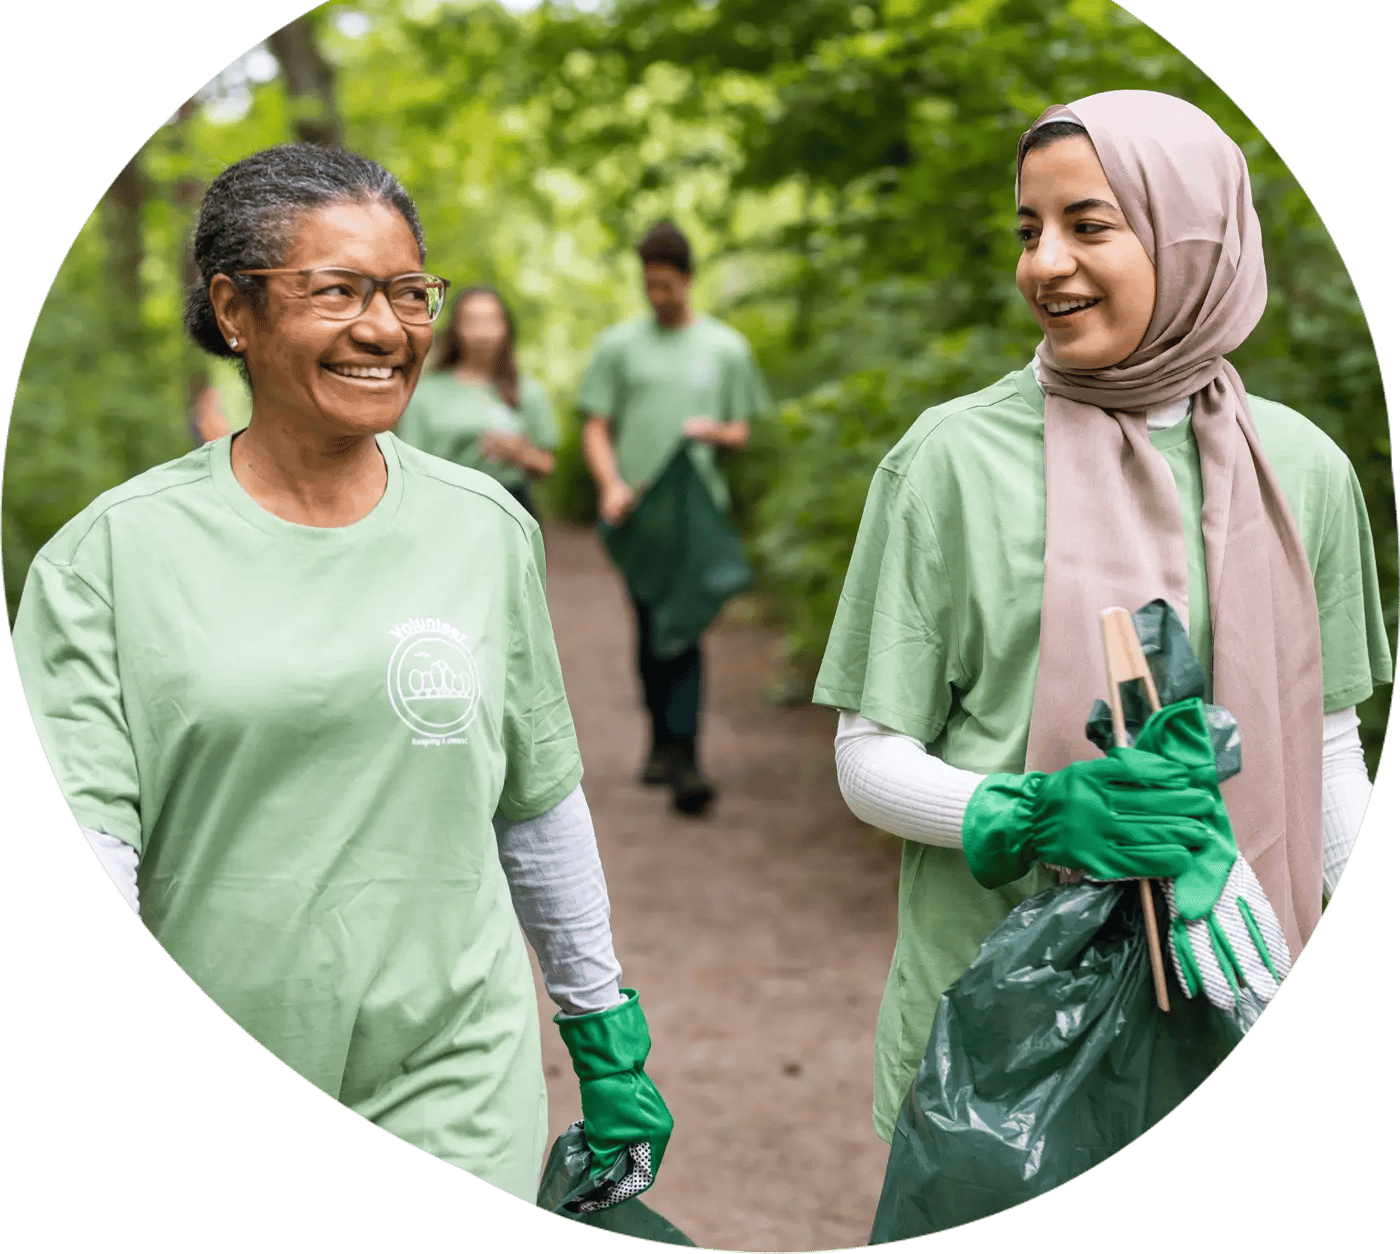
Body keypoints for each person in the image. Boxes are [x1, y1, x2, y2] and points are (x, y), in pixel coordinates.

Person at [12, 143, 672, 1205]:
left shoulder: (483, 529)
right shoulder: (108, 560)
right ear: (235, 308)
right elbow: (88, 847)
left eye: (409, 293)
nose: (385, 329)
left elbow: (536, 796)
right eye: (339, 293)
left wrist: (601, 1029)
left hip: (453, 1063)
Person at [813, 91, 1391, 1143]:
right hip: (996, 1046)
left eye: (1087, 225)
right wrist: (1034, 812)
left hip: (1248, 1008)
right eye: (1028, 230)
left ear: (1191, 237)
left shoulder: (1298, 469)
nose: (1043, 264)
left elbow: (1326, 752)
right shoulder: (947, 462)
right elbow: (866, 758)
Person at [577, 220, 771, 815]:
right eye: (648, 285)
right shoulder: (618, 346)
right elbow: (595, 425)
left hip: (694, 511)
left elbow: (741, 430)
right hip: (638, 510)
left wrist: (708, 431)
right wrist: (608, 484)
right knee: (647, 625)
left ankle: (685, 759)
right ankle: (662, 742)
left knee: (683, 625)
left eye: (666, 284)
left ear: (688, 280)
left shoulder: (725, 349)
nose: (657, 295)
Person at [396, 284, 558, 518]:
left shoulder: (529, 391)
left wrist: (521, 454)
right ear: (455, 329)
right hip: (444, 509)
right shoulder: (423, 393)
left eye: (492, 320)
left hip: (513, 508)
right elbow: (406, 468)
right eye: (472, 321)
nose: (483, 332)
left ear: (506, 328)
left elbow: (546, 466)